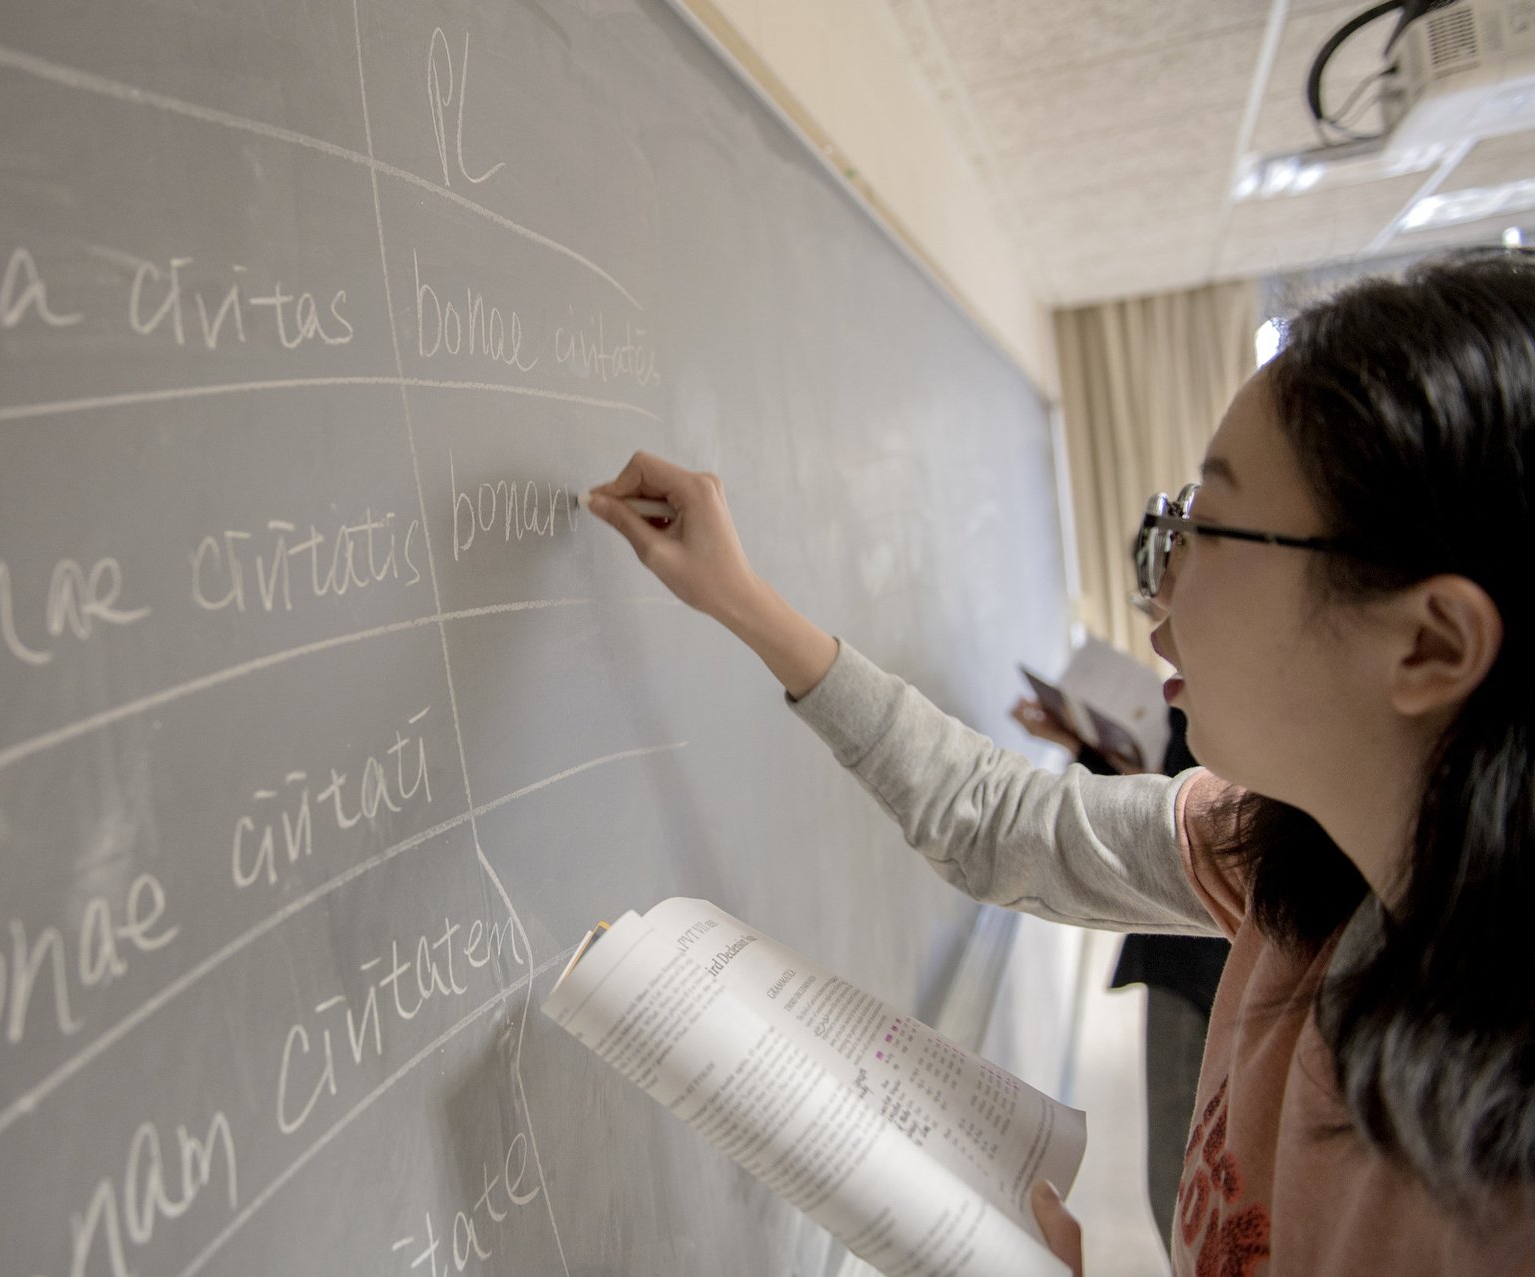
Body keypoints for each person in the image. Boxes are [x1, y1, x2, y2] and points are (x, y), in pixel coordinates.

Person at [580, 249, 1535, 1274]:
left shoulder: (1491, 1200)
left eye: (1208, 530)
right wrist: (741, 598)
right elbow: (1000, 821)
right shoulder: (1284, 849)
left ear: (1427, 645)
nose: (1158, 594)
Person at [1014, 695, 1230, 1248]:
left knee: (1185, 1193)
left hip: (1207, 959)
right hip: (1189, 953)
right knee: (1186, 1193)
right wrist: (1083, 746)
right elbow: (1172, 808)